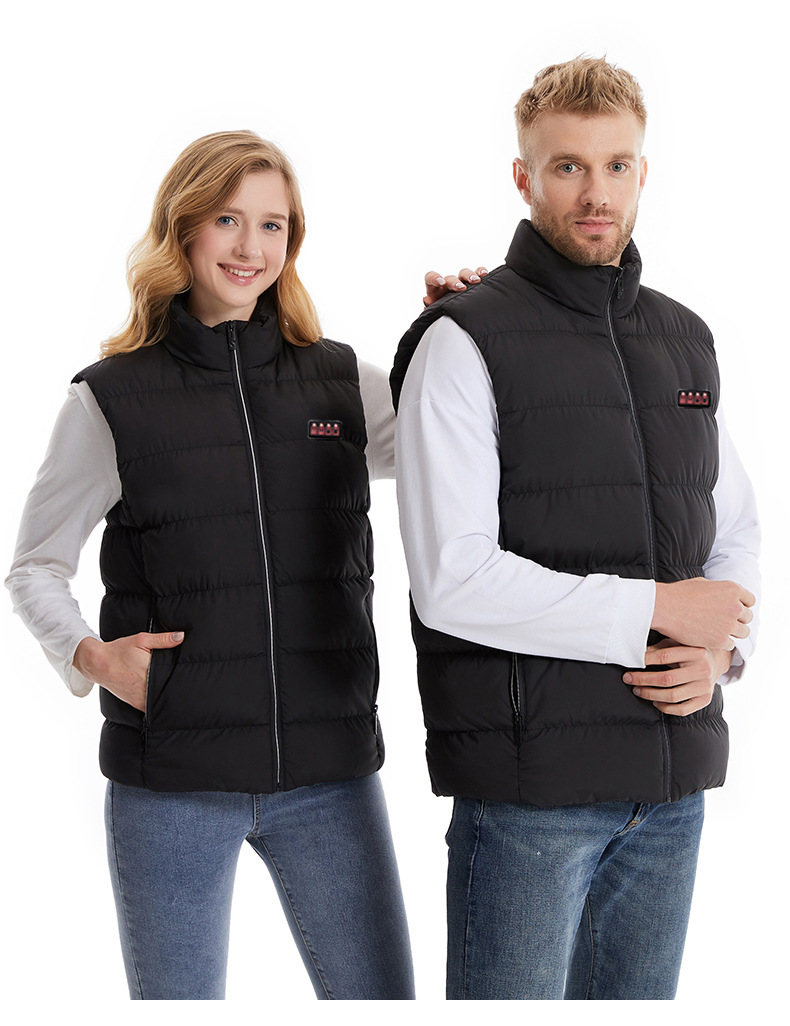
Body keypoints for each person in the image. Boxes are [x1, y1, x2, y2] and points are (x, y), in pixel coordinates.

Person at [6, 130, 440, 1001]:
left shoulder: (340, 384)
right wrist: (92, 657)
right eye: (228, 220)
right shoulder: (111, 398)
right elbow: (34, 566)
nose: (251, 248)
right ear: (184, 228)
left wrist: (452, 332)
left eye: (273, 225)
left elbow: (455, 444)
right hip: (172, 780)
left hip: (330, 775)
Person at [390, 56, 760, 1000]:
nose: (596, 193)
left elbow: (732, 531)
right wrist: (657, 609)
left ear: (644, 173)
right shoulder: (463, 340)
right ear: (524, 177)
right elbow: (452, 579)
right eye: (568, 167)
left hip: (671, 793)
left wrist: (720, 654)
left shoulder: (685, 338)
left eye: (616, 165)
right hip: (531, 798)